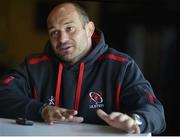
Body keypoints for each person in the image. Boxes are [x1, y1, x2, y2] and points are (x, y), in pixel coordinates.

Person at [0, 2, 165, 134]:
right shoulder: (33, 66)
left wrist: (135, 120)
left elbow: (155, 112)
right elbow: (3, 94)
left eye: (69, 28)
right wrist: (41, 111)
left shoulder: (121, 66)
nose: (62, 39)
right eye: (54, 32)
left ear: (89, 29)